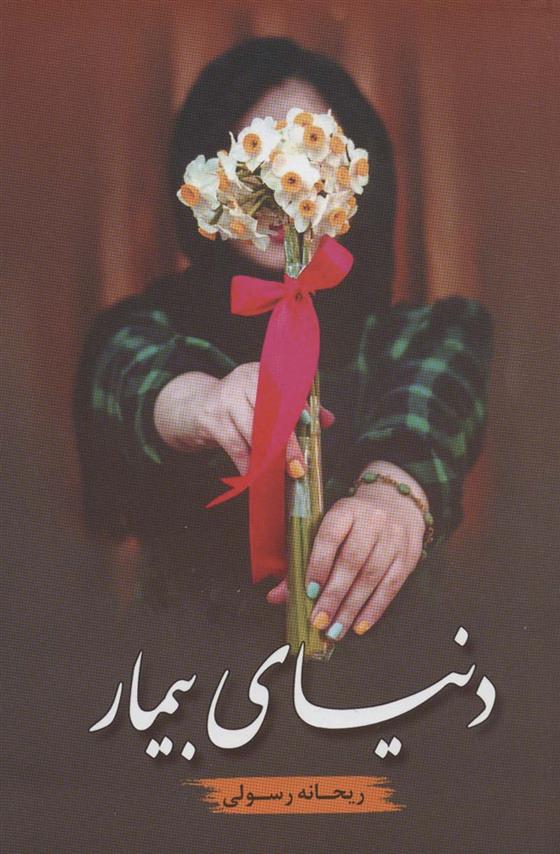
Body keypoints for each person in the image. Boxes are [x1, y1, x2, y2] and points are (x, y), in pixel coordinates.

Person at [74, 37, 493, 645]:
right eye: (254, 157)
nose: (281, 188)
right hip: (190, 668)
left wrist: (392, 495)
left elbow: (432, 406)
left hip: (380, 676)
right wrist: (200, 401)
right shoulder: (143, 328)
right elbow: (124, 373)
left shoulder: (420, 337)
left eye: (309, 154)